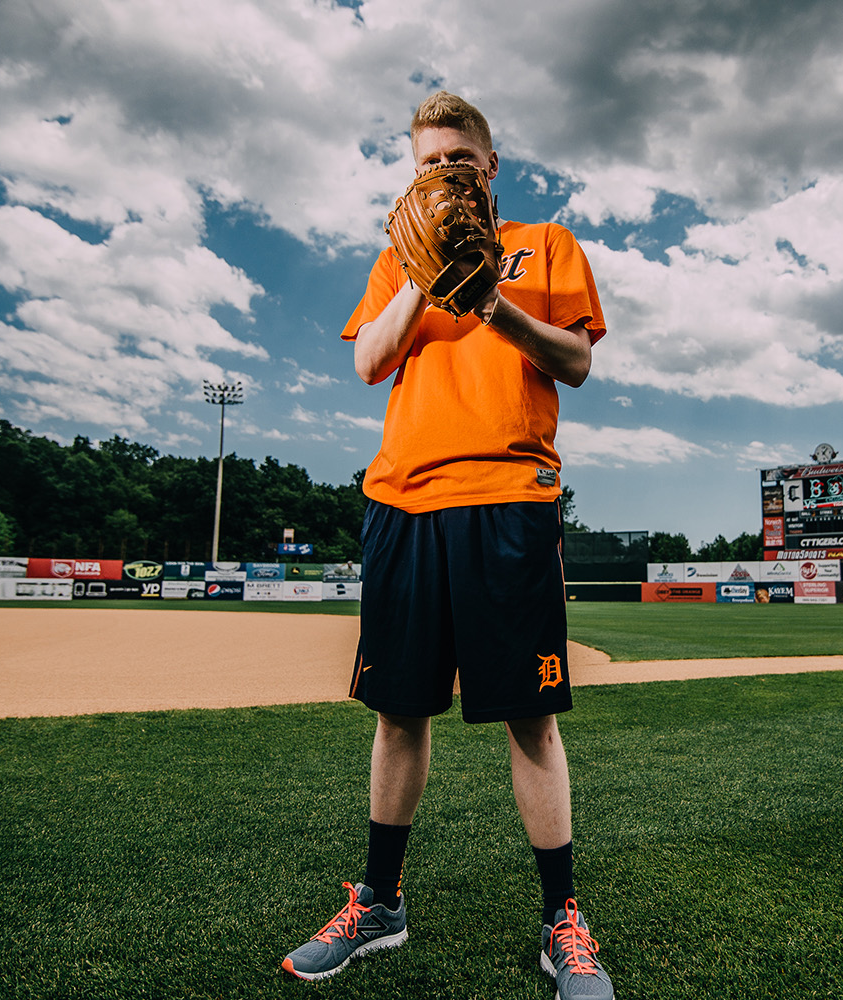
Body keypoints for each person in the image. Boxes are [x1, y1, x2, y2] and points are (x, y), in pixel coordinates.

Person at [281, 91, 614, 999]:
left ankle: (563, 922)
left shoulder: (547, 244)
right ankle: (379, 901)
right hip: (402, 499)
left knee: (529, 716)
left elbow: (576, 362)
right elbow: (368, 362)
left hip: (508, 495)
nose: (444, 174)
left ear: (492, 164)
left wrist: (492, 303)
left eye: (459, 159)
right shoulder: (399, 254)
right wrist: (431, 280)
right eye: (429, 162)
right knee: (399, 711)